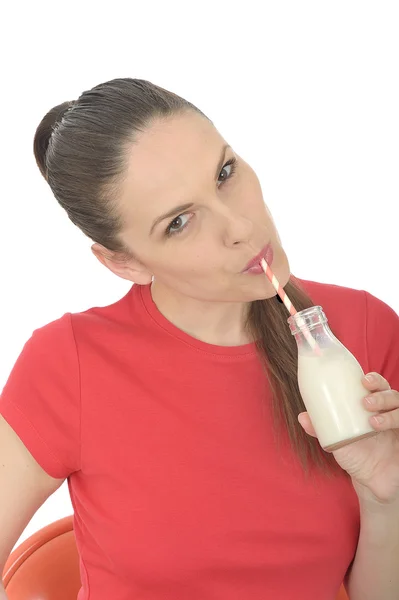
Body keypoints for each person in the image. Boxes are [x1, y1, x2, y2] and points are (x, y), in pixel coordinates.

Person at [0, 78, 398, 600]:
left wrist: (385, 496)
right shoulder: (69, 363)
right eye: (180, 222)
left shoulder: (361, 329)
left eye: (225, 174)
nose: (239, 226)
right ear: (124, 262)